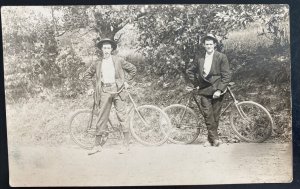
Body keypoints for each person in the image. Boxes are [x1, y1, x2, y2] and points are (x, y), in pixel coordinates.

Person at [84, 38, 137, 154]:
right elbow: (87, 75)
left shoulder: (118, 60)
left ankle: (126, 145)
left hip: (118, 90)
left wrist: (127, 82)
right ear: (101, 49)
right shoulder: (97, 63)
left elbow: (133, 69)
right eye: (104, 48)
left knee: (122, 116)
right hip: (104, 91)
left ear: (112, 49)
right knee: (102, 117)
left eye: (108, 48)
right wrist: (90, 88)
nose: (106, 50)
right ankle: (97, 145)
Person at [186, 34, 232, 147]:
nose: (209, 46)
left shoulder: (221, 57)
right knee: (207, 115)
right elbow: (189, 71)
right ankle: (215, 139)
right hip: (204, 90)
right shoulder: (200, 58)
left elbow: (226, 76)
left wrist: (220, 90)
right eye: (207, 44)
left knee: (215, 116)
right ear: (204, 45)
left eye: (211, 44)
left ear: (215, 45)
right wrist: (197, 84)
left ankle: (210, 139)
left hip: (217, 90)